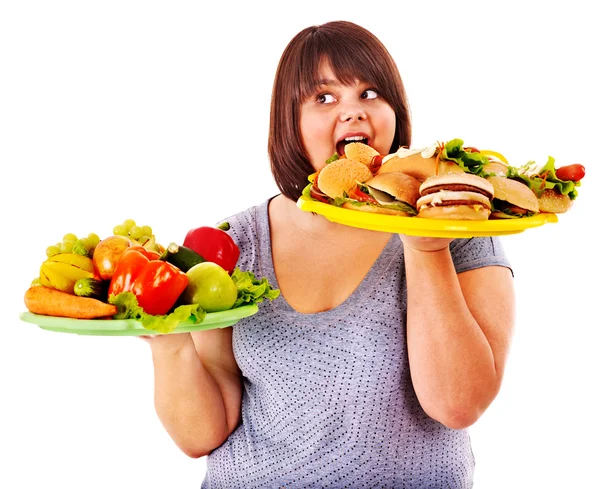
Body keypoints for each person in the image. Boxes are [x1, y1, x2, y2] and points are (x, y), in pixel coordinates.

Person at [145, 20, 515, 488]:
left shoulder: (456, 223)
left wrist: (424, 241)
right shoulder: (235, 241)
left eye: (370, 93)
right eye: (323, 98)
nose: (353, 113)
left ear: (395, 111)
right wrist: (165, 335)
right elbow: (203, 434)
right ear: (290, 122)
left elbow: (459, 405)